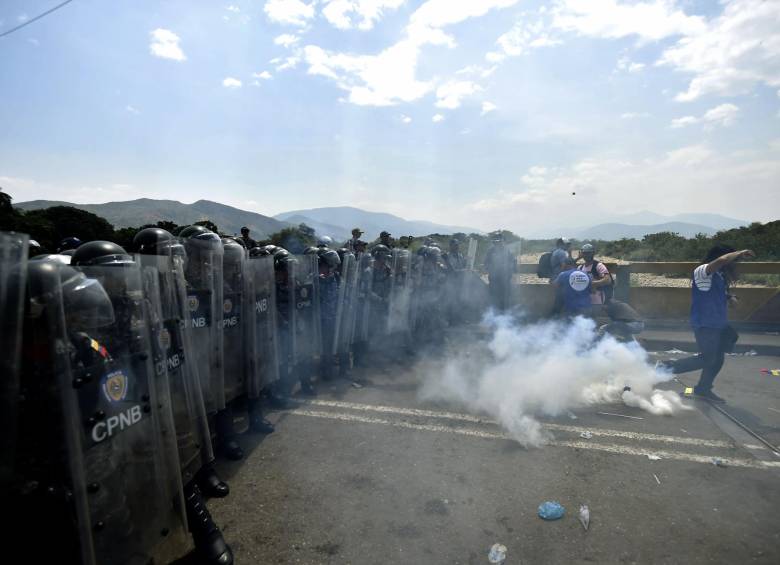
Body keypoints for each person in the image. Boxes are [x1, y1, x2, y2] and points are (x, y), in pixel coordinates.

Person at [663, 246, 755, 402]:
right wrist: (739, 252)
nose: (733, 264)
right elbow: (722, 260)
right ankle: (665, 368)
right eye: (733, 260)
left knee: (718, 358)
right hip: (705, 324)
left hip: (719, 323)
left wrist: (729, 298)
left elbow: (715, 294)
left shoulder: (719, 276)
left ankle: (703, 389)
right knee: (707, 358)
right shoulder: (702, 270)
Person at [484, 235, 515, 311]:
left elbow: (513, 264)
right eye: (496, 242)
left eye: (500, 241)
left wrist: (507, 270)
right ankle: (493, 314)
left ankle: (504, 314)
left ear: (503, 242)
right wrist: (491, 268)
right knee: (493, 296)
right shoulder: (490, 251)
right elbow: (486, 264)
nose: (498, 243)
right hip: (494, 279)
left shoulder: (508, 251)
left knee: (505, 297)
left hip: (505, 279)